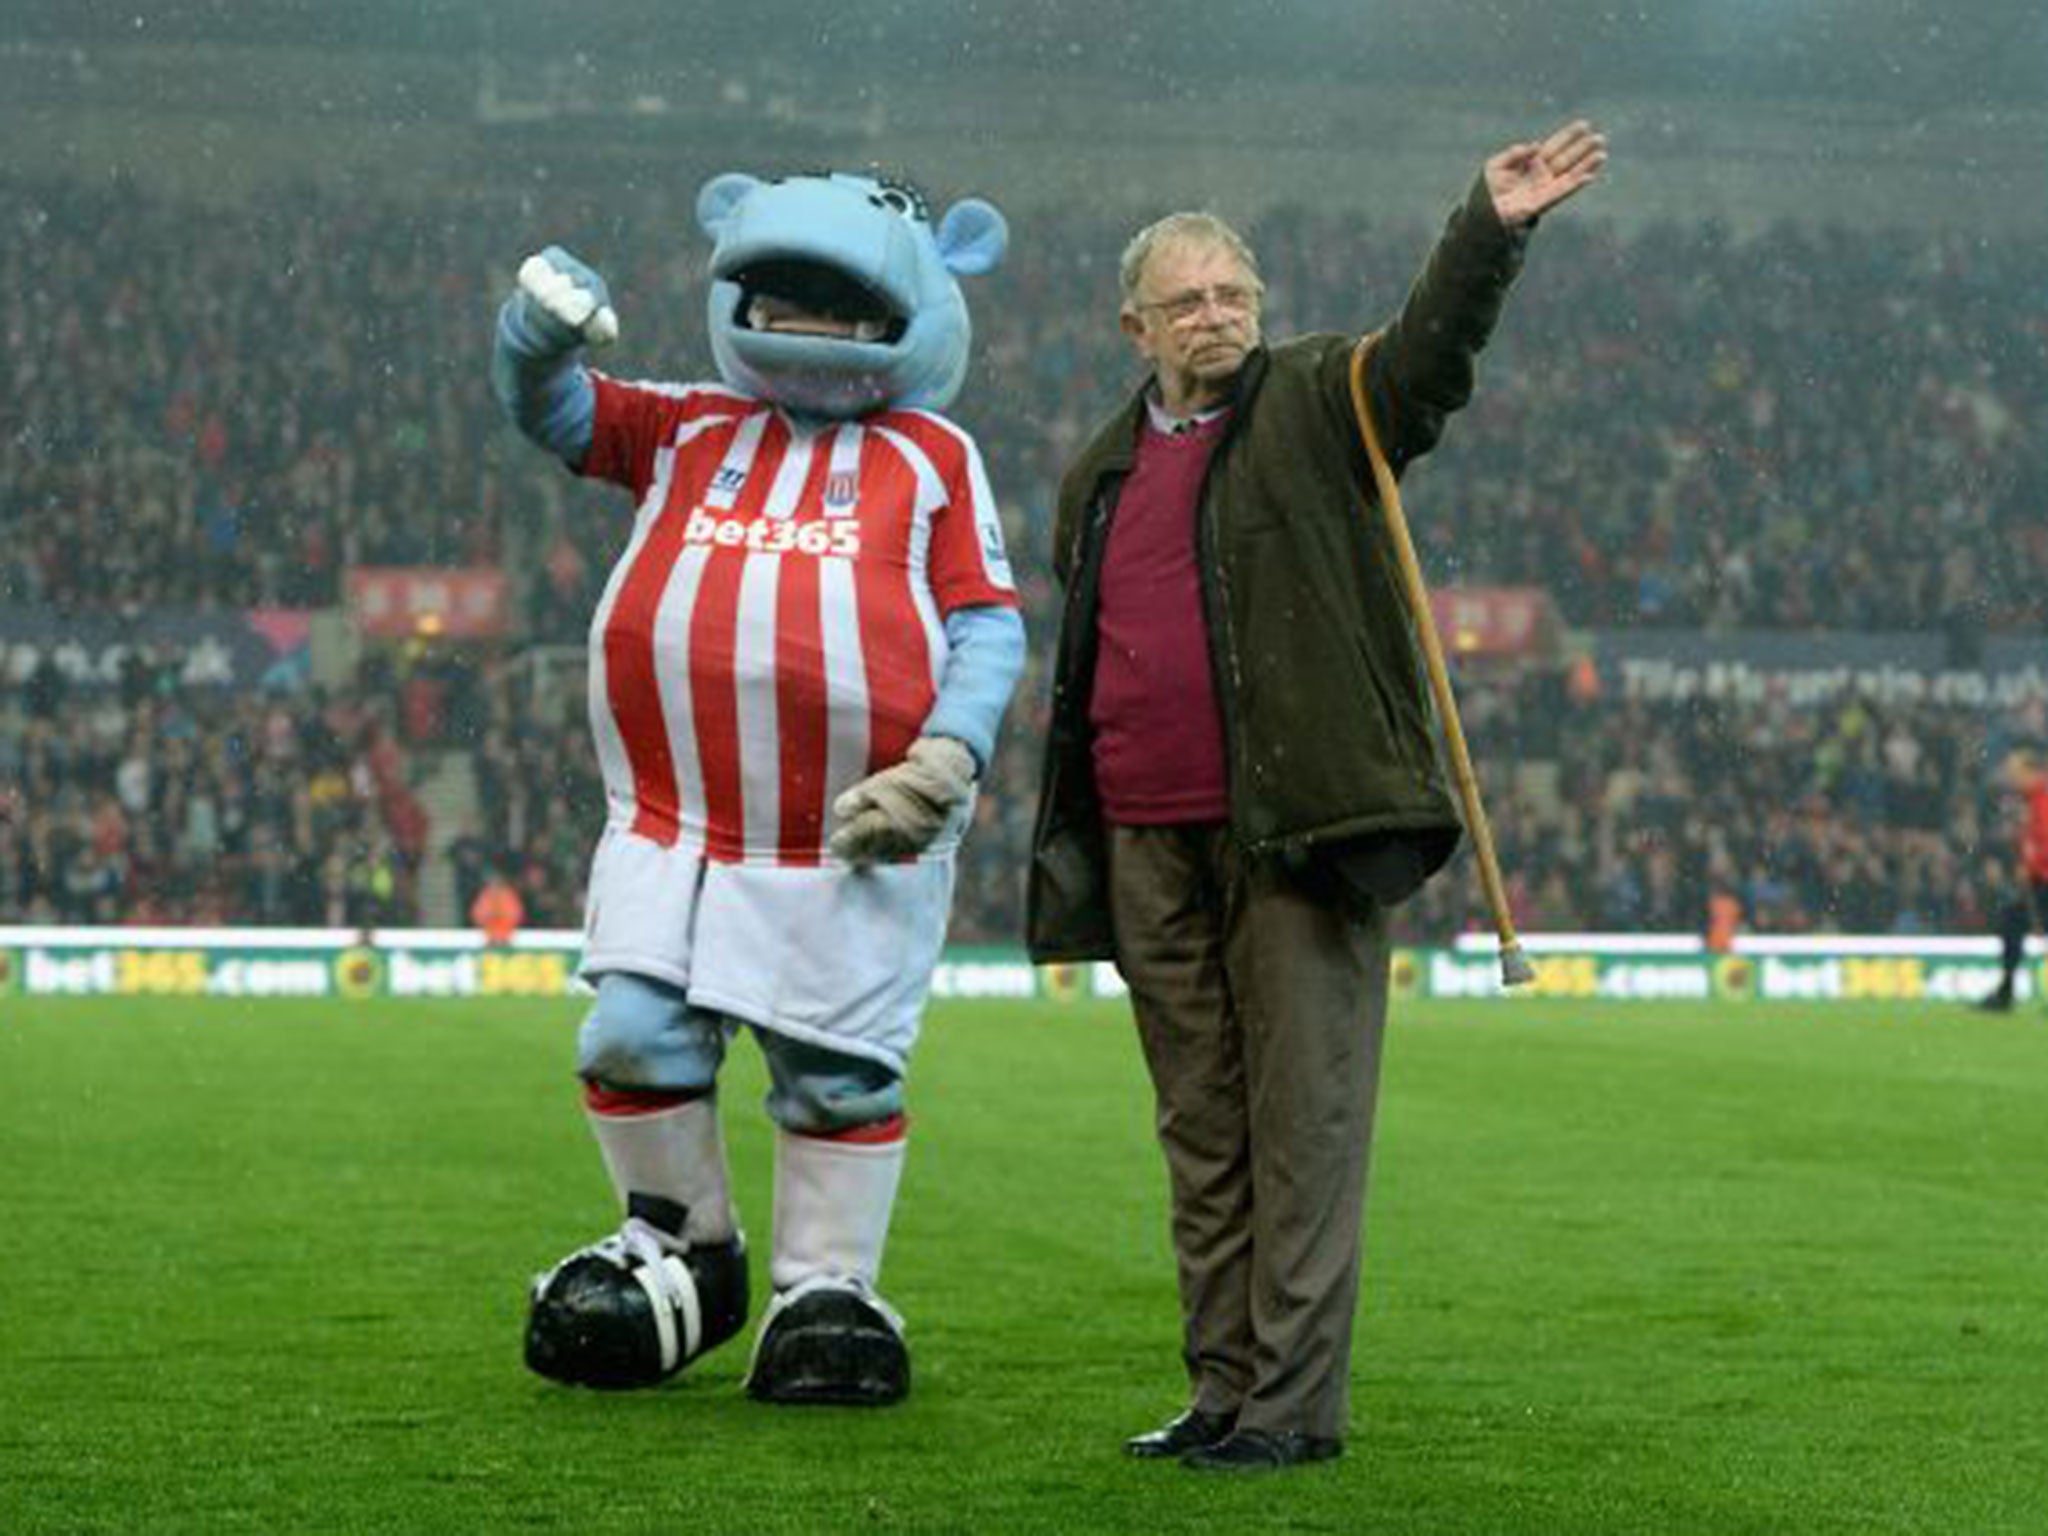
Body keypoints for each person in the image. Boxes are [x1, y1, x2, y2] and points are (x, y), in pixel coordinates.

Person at [1027, 122, 1607, 1471]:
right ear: (1136, 326)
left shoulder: (1326, 401)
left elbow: (1429, 359)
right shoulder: (1098, 475)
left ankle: (1291, 1407)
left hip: (1297, 833)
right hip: (1146, 840)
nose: (1216, 317)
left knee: (1305, 1124)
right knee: (1203, 1130)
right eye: (1187, 301)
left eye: (1234, 294)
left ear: (1262, 307)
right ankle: (1223, 1390)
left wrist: (1489, 229)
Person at [491, 169, 1023, 1405]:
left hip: (841, 838)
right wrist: (533, 338)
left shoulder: (933, 455)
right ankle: (682, 1248)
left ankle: (826, 1287)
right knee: (631, 1032)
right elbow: (559, 412)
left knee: (832, 1070)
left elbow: (985, 624)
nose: (809, 320)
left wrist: (946, 756)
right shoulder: (684, 426)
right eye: (784, 295)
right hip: (671, 825)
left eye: (838, 303)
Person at [1976, 749, 2048, 1010]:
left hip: (2043, 879)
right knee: (2011, 922)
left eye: (2016, 773)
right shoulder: (2031, 801)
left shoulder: (2043, 801)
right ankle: (2005, 992)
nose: (2012, 778)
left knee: (2011, 922)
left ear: (2033, 772)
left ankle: (2005, 993)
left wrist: (2032, 863)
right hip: (2039, 881)